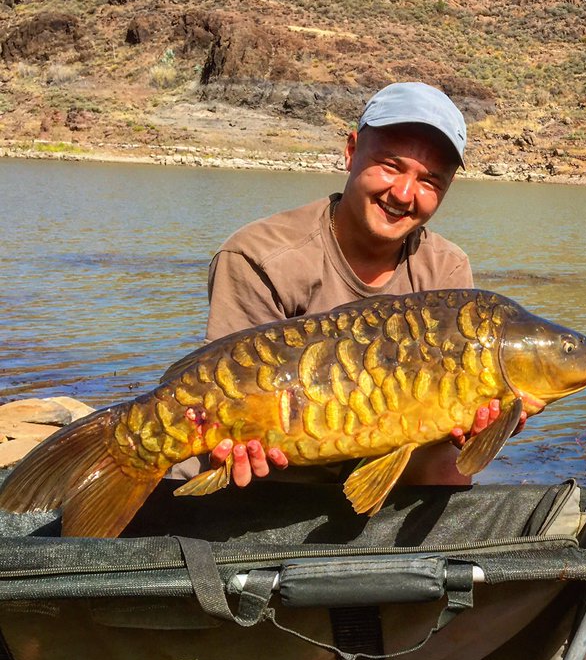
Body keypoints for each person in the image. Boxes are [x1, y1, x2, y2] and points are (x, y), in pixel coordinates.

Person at [200, 80, 514, 488]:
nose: (403, 194)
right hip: (277, 467)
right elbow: (222, 389)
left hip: (382, 457)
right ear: (350, 152)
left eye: (429, 181)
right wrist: (230, 442)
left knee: (447, 461)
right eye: (390, 165)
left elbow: (452, 427)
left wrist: (486, 427)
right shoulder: (259, 257)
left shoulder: (447, 270)